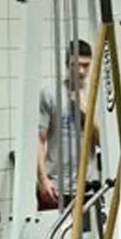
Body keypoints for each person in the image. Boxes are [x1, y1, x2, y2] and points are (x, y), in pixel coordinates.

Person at [37, 38, 92, 210]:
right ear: (68, 64)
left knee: (86, 236)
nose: (81, 71)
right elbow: (39, 139)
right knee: (54, 235)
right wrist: (42, 178)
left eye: (86, 65)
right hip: (55, 186)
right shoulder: (50, 94)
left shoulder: (95, 96)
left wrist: (86, 112)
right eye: (77, 65)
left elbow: (103, 142)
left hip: (87, 186)